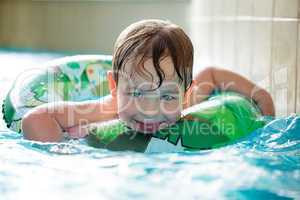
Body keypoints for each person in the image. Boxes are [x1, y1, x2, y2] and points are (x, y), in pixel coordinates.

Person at [21, 19, 275, 142]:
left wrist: (261, 96)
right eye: (137, 93)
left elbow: (211, 74)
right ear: (114, 86)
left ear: (187, 93)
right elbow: (36, 118)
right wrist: (61, 153)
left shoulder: (185, 103)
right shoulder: (102, 110)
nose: (150, 110)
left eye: (166, 96)